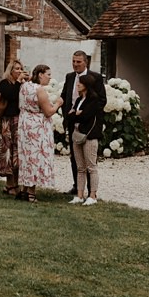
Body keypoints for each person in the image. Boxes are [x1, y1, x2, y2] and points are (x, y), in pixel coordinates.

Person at [16, 64, 63, 203]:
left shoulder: (25, 86)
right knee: (36, 157)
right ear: (41, 75)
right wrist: (58, 104)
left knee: (26, 157)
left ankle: (24, 189)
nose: (50, 78)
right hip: (37, 127)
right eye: (48, 74)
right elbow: (48, 112)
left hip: (25, 124)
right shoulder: (39, 90)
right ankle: (31, 192)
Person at [61, 51, 102, 194]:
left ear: (86, 62)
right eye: (73, 61)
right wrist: (67, 115)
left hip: (88, 123)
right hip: (73, 121)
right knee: (75, 157)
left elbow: (101, 100)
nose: (75, 64)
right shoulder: (70, 77)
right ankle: (77, 187)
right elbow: (64, 96)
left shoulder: (95, 77)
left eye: (78, 62)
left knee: (89, 159)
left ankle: (91, 190)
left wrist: (85, 113)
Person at [68, 72, 105, 205]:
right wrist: (76, 114)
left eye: (81, 83)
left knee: (91, 166)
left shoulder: (94, 100)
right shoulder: (79, 100)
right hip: (77, 134)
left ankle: (92, 195)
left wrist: (77, 115)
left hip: (89, 136)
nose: (78, 85)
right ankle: (79, 194)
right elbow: (70, 117)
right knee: (80, 167)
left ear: (87, 85)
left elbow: (86, 117)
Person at [0, 60, 25, 195]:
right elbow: (11, 95)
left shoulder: (22, 84)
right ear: (11, 70)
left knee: (17, 151)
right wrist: (18, 82)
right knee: (7, 149)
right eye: (16, 69)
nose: (19, 71)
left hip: (18, 120)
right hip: (7, 120)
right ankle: (10, 183)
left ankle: (16, 183)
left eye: (21, 69)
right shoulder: (4, 84)